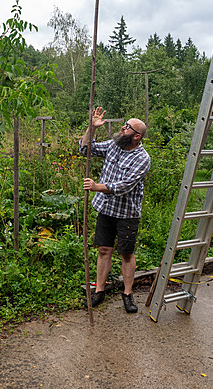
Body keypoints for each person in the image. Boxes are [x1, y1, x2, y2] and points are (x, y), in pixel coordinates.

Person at [80, 107, 151, 313]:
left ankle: (127, 294)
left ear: (137, 136)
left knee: (126, 253)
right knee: (103, 250)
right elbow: (85, 149)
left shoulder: (142, 158)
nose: (122, 128)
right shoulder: (113, 146)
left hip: (127, 213)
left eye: (127, 127)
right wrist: (91, 128)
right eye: (124, 124)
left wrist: (96, 187)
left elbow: (124, 186)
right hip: (105, 209)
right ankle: (99, 290)